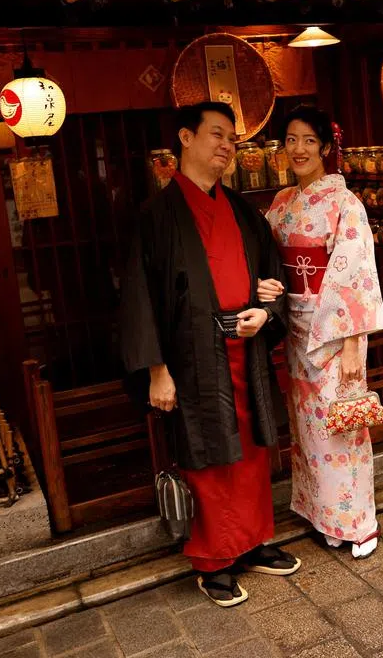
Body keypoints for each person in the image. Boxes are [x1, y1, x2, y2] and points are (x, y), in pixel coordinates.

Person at [119, 101, 301, 608]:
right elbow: (138, 297)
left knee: (253, 448)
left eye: (232, 139)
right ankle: (215, 559)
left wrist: (267, 314)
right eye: (216, 135)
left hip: (248, 347)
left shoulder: (244, 211)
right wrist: (157, 370)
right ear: (185, 137)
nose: (226, 147)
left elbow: (273, 281)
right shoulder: (155, 217)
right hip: (191, 356)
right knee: (208, 455)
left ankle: (255, 540)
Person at [257, 105, 383, 559]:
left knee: (341, 425)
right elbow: (269, 259)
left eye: (308, 141)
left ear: (326, 147)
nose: (298, 149)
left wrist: (349, 342)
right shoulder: (280, 204)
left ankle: (358, 521)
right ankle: (320, 512)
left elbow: (355, 277)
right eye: (290, 140)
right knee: (306, 426)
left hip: (334, 331)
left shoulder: (344, 204)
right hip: (293, 325)